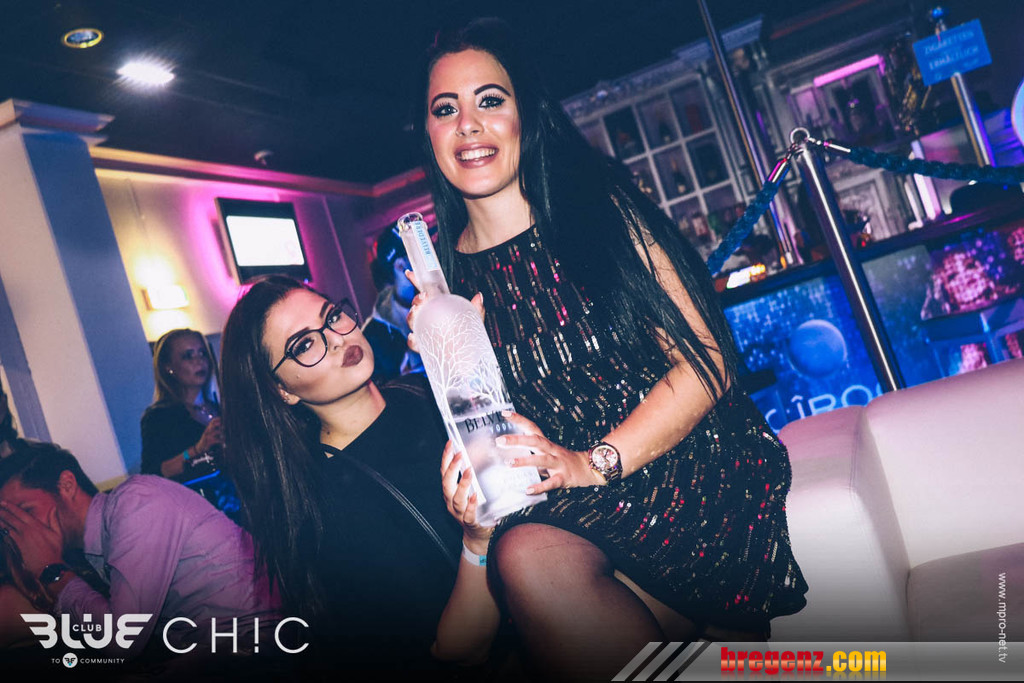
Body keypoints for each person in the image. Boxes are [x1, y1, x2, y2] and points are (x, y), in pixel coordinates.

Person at [412, 18, 807, 679]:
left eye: (490, 100)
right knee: (522, 555)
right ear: (428, 133)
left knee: (534, 563)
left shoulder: (597, 210)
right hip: (569, 509)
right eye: (445, 109)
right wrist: (468, 451)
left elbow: (707, 362)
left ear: (525, 115)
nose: (469, 125)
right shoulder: (444, 290)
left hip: (684, 464)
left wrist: (590, 463)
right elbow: (493, 433)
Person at [218, 276, 501, 675]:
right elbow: (458, 650)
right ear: (282, 390)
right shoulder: (326, 507)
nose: (336, 338)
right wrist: (477, 543)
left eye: (332, 316)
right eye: (304, 344)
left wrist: (469, 356)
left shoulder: (422, 389)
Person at [0, 442, 278, 661]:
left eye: (25, 512)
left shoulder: (136, 501)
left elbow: (123, 639)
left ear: (67, 485)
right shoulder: (98, 550)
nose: (21, 532)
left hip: (266, 644)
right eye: (9, 525)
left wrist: (51, 569)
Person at [141, 329, 223, 480]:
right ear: (169, 367)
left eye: (202, 353)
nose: (199, 361)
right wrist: (197, 449)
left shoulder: (219, 408)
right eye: (188, 356)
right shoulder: (159, 417)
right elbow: (152, 473)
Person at [362, 224, 425, 382]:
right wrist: (405, 380)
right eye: (416, 250)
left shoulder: (445, 289)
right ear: (400, 265)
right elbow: (380, 390)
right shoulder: (374, 335)